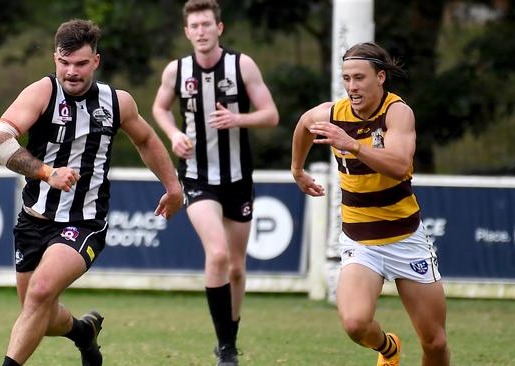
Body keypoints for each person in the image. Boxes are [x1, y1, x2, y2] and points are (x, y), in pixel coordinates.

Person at [0, 19, 183, 366]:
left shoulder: (116, 102)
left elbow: (147, 140)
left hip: (84, 221)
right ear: (55, 59)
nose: (71, 72)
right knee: (40, 315)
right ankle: (82, 332)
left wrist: (173, 186)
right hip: (33, 219)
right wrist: (48, 172)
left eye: (80, 63)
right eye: (64, 63)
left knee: (41, 292)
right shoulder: (41, 93)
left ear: (95, 61)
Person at [291, 42, 450, 366]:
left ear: (380, 77)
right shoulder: (332, 113)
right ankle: (389, 348)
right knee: (354, 324)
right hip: (361, 242)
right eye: (346, 78)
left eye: (359, 78)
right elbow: (305, 123)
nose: (351, 86)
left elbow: (399, 165)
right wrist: (297, 169)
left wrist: (352, 145)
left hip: (406, 240)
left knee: (434, 342)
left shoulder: (397, 112)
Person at [152, 1, 278, 364]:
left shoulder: (242, 65)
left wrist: (238, 120)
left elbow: (271, 115)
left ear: (219, 28)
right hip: (196, 176)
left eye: (208, 24)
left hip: (238, 178)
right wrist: (174, 133)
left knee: (236, 267)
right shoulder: (177, 71)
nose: (202, 31)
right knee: (218, 254)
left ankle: (229, 337)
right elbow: (160, 107)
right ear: (187, 32)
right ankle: (226, 350)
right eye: (195, 26)